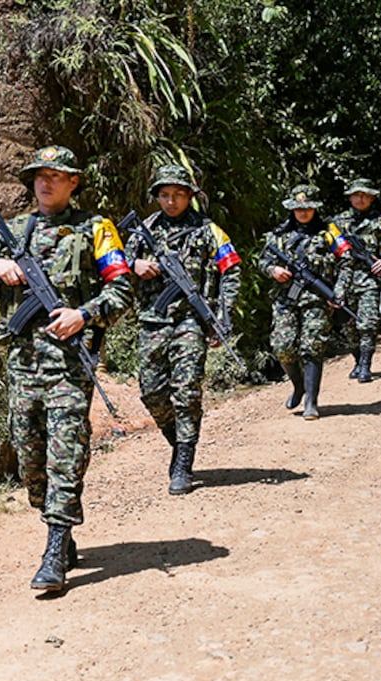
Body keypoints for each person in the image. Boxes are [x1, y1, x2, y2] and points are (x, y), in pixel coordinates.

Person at [0, 145, 133, 593]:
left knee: (66, 451)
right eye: (39, 176)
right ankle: (54, 521)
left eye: (55, 176)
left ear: (73, 182)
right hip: (23, 364)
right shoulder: (12, 232)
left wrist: (84, 314)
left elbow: (122, 291)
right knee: (30, 460)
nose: (45, 182)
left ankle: (55, 547)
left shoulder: (96, 229)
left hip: (69, 365)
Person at [125, 165, 242, 495]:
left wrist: (222, 318)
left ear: (190, 196)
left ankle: (184, 463)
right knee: (152, 392)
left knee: (187, 390)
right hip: (153, 320)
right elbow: (114, 266)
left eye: (178, 194)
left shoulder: (209, 230)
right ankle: (178, 443)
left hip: (191, 321)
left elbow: (231, 271)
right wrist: (135, 265)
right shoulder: (143, 230)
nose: (171, 201)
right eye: (164, 195)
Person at [258, 184, 348, 420]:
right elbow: (262, 261)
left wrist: (338, 292)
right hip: (285, 298)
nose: (303, 212)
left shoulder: (329, 233)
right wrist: (273, 270)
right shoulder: (279, 235)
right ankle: (298, 386)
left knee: (312, 347)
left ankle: (311, 401)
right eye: (299, 208)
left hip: (317, 299)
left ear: (315, 209)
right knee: (282, 347)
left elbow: (346, 262)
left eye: (308, 208)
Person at [326, 178, 381, 383]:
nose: (360, 199)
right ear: (350, 198)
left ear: (372, 198)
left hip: (369, 280)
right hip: (344, 280)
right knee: (348, 326)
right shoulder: (337, 223)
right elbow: (327, 248)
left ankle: (365, 365)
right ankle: (357, 360)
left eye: (364, 195)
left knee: (367, 323)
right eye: (356, 195)